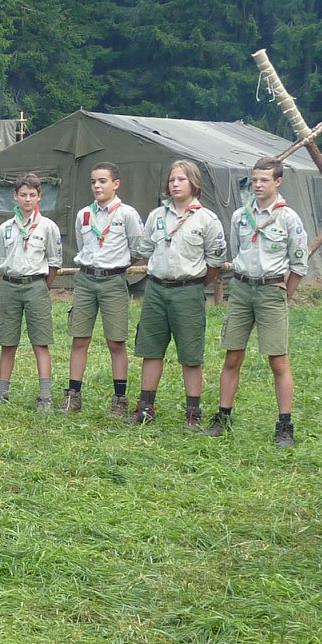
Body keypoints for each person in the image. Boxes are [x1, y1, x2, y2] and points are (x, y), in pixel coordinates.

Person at [206, 157, 307, 447]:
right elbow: (236, 253)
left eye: (265, 180)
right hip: (241, 290)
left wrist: (283, 295)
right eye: (254, 179)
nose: (258, 185)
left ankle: (285, 424)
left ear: (278, 182)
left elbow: (299, 264)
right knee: (232, 356)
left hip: (271, 291)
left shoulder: (289, 218)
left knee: (278, 360)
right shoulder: (240, 216)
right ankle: (223, 415)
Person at [127, 159, 227, 429]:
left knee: (190, 355)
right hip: (157, 290)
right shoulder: (157, 216)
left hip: (188, 291)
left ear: (194, 182)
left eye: (181, 179)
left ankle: (193, 412)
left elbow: (215, 262)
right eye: (171, 180)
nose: (175, 184)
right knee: (151, 350)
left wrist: (194, 283)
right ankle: (146, 407)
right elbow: (145, 250)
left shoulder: (207, 219)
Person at [60, 164, 143, 417]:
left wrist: (115, 267)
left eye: (103, 181)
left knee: (116, 341)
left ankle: (119, 399)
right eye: (93, 181)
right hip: (86, 280)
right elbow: (81, 242)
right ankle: (73, 396)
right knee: (79, 338)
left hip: (113, 282)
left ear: (116, 184)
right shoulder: (84, 214)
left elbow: (138, 249)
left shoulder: (127, 214)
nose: (97, 186)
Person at [0, 173, 63, 410]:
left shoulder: (48, 227)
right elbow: (2, 258)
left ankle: (45, 396)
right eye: (23, 195)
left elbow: (54, 261)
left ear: (39, 196)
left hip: (35, 286)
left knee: (40, 343)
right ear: (15, 196)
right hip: (10, 286)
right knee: (8, 343)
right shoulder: (5, 228)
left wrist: (42, 286)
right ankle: (1, 392)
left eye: (32, 195)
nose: (27, 199)